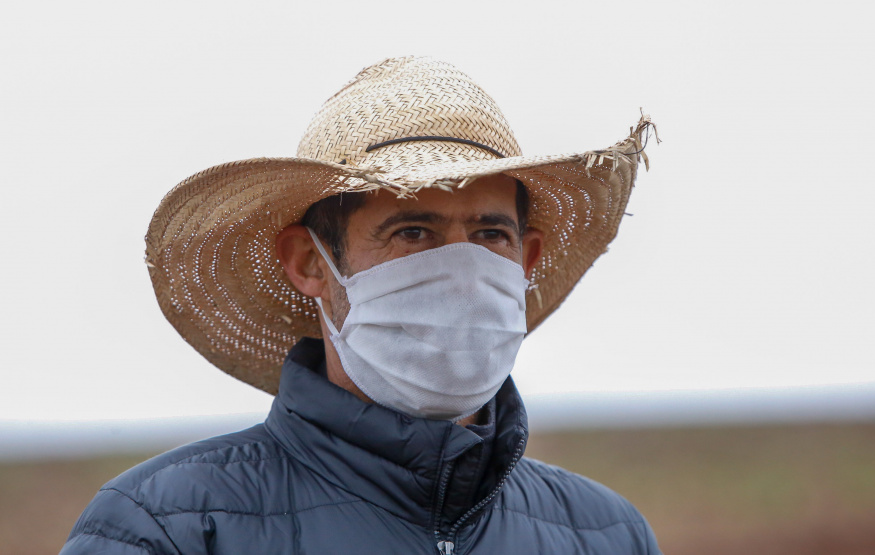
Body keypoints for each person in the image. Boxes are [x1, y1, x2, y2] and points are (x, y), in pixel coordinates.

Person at [62, 56, 661, 554]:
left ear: (526, 261)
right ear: (310, 264)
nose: (459, 274)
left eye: (489, 236)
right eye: (412, 233)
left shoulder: (606, 535)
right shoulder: (170, 528)